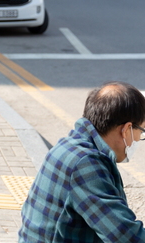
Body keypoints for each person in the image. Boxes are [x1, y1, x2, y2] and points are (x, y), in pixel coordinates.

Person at [19, 81, 145, 242]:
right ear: (126, 129)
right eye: (141, 131)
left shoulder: (71, 145)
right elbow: (126, 237)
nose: (140, 138)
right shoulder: (86, 164)